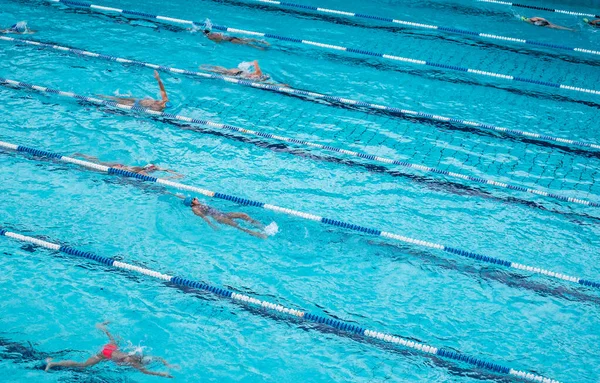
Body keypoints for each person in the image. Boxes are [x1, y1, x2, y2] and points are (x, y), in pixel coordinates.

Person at [45, 321, 175, 378]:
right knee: (83, 365)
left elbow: (157, 358)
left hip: (111, 349)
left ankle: (102, 326)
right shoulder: (134, 362)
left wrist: (166, 363)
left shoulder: (137, 354)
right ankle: (53, 363)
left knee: (114, 340)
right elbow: (146, 372)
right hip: (105, 354)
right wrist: (161, 374)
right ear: (141, 361)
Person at [182, 196, 268, 239]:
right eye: (194, 199)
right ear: (191, 203)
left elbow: (183, 198)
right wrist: (212, 225)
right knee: (238, 226)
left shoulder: (197, 204)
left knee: (243, 215)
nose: (196, 198)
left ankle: (262, 226)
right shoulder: (195, 209)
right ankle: (258, 234)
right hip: (219, 218)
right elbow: (204, 217)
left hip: (223, 213)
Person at [102, 70, 171, 111]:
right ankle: (101, 96)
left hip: (136, 105)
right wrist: (158, 79)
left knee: (118, 102)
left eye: (163, 104)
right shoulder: (165, 100)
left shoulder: (157, 109)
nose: (161, 102)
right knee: (117, 98)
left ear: (164, 107)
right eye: (163, 102)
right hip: (138, 100)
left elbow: (146, 111)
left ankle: (100, 101)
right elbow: (162, 90)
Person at [72, 153, 183, 179]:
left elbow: (163, 169)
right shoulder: (142, 173)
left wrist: (175, 174)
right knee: (92, 169)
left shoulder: (143, 167)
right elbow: (159, 179)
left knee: (98, 162)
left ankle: (80, 155)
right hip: (117, 170)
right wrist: (174, 176)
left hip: (120, 166)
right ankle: (76, 162)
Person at [197, 19, 270, 50]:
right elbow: (220, 35)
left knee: (246, 44)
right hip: (230, 37)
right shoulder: (213, 33)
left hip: (230, 40)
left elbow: (218, 40)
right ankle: (263, 42)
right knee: (249, 39)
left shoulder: (209, 37)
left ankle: (259, 48)